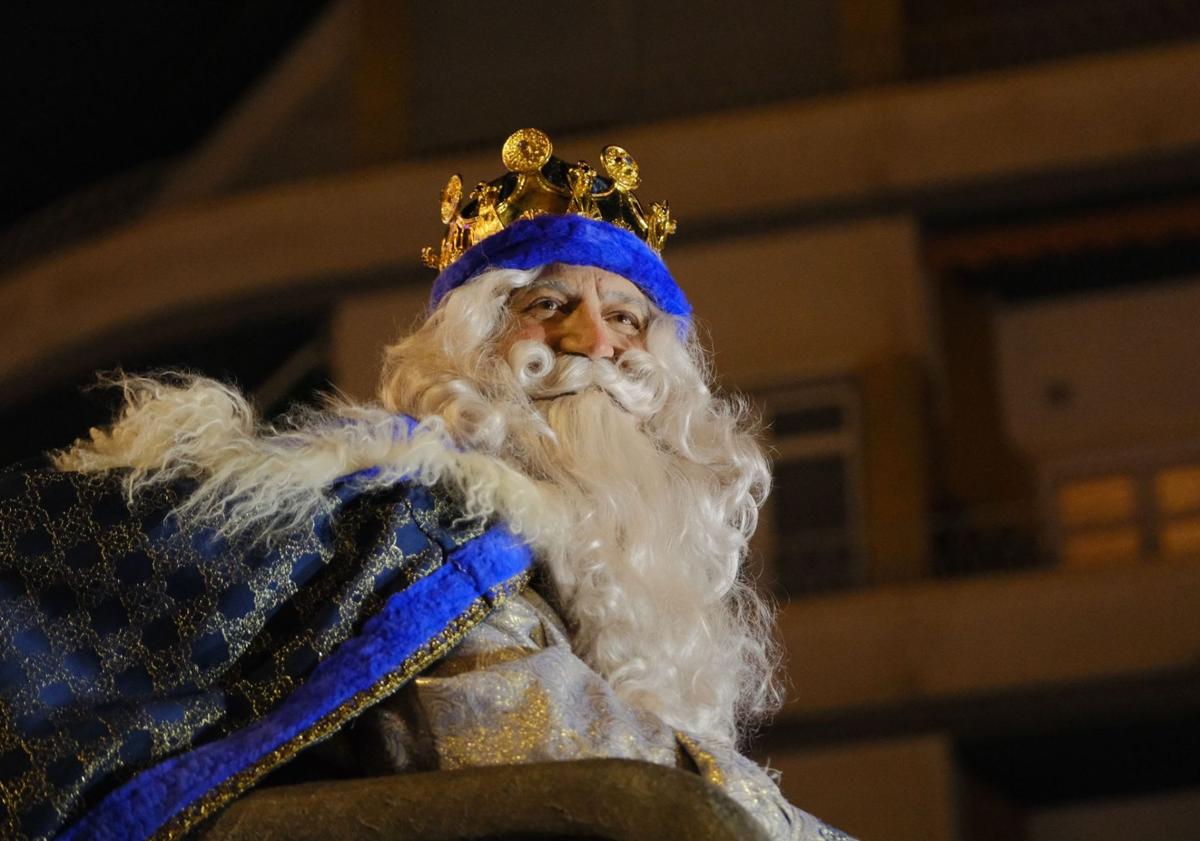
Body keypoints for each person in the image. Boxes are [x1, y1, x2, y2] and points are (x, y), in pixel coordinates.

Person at [0, 129, 854, 840]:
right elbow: (547, 746)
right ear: (478, 346)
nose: (595, 340)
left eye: (627, 318)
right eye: (549, 305)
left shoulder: (589, 567)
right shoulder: (425, 526)